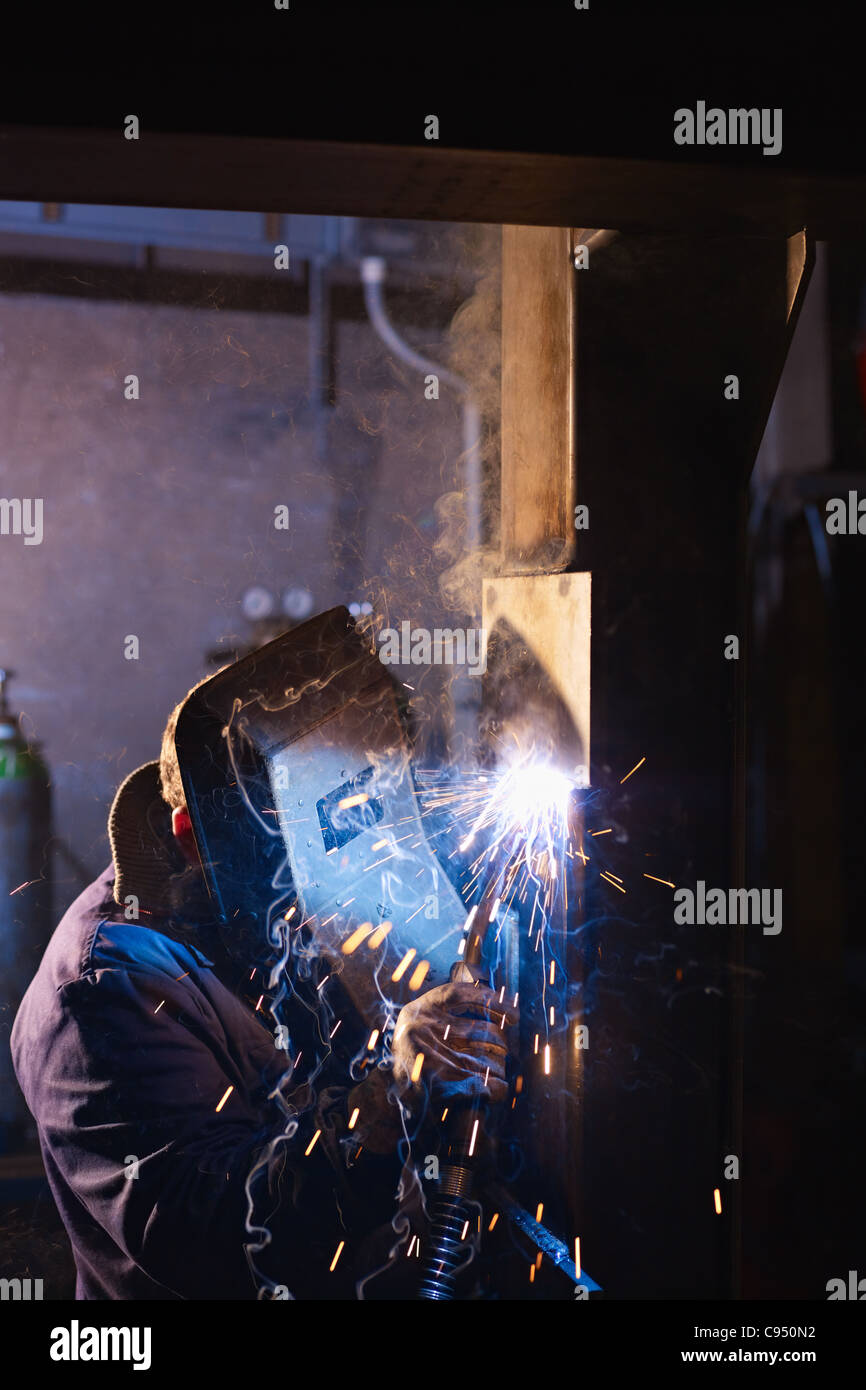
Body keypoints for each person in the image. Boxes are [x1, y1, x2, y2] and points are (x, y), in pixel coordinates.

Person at [11, 684, 516, 1300]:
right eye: (290, 852)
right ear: (193, 838)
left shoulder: (257, 891)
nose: (324, 881)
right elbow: (225, 1240)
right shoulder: (105, 995)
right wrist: (387, 1103)